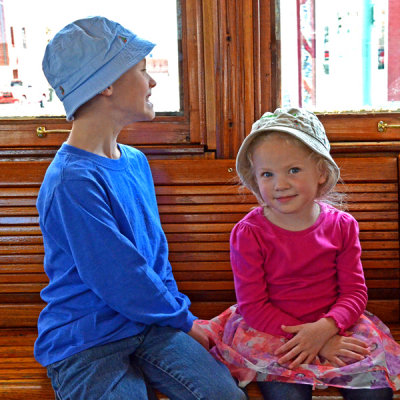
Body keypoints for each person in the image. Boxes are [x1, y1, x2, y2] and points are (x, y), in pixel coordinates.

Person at [35, 16, 247, 400]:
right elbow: (119, 276)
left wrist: (179, 317)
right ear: (107, 84)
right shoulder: (72, 181)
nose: (152, 82)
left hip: (149, 324)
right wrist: (185, 321)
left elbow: (153, 254)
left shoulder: (134, 161)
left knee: (226, 396)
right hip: (87, 339)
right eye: (142, 69)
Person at [196, 107, 400, 400]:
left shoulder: (342, 226)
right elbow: (253, 305)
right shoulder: (249, 233)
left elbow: (354, 293)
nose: (280, 184)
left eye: (293, 170)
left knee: (374, 395)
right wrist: (312, 341)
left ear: (320, 172)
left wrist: (325, 331)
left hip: (337, 325)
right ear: (255, 180)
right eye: (267, 174)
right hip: (273, 333)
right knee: (288, 397)